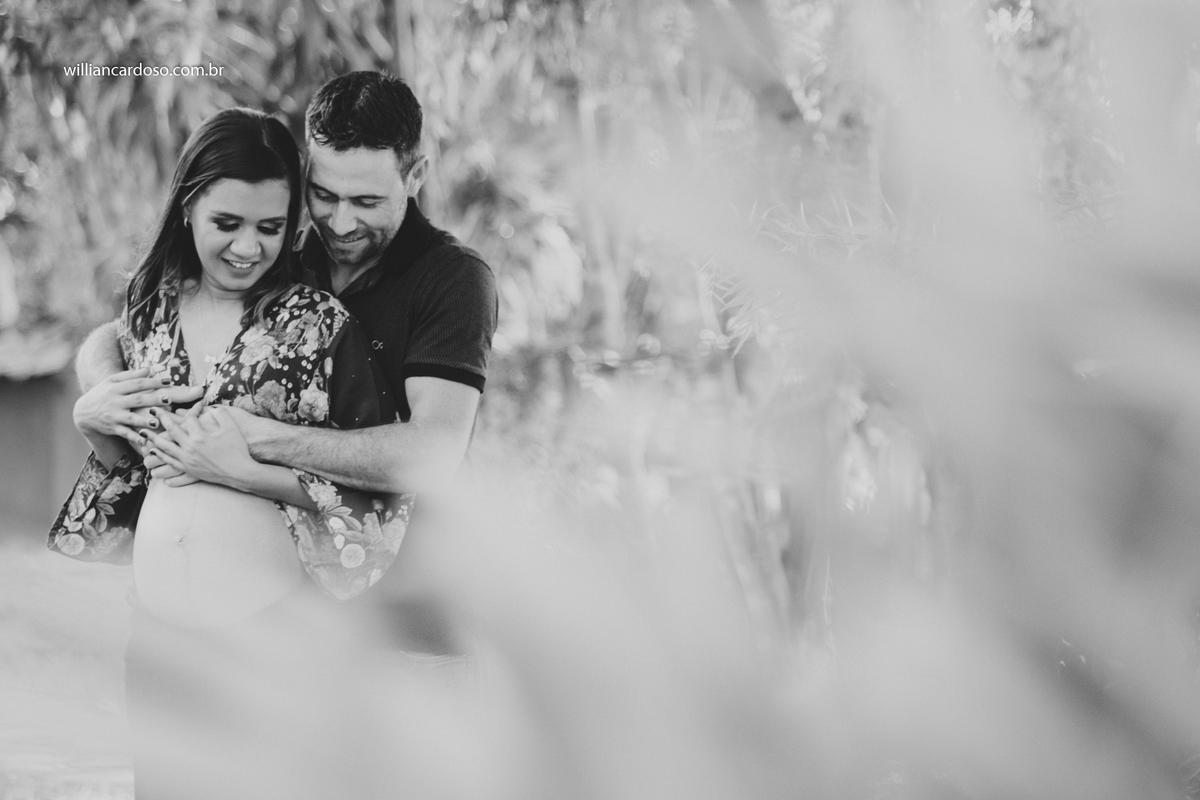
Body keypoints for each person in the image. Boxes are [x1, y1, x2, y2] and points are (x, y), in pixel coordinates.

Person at [50, 107, 412, 797]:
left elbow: (376, 492)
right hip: (158, 645)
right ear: (189, 207)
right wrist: (94, 415)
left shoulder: (318, 327)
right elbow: (133, 464)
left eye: (271, 227)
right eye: (227, 224)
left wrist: (248, 471)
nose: (249, 247)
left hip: (269, 645)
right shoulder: (150, 312)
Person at [77, 71, 499, 654]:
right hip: (291, 614)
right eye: (324, 196)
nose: (342, 222)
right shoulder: (283, 260)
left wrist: (254, 441)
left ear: (416, 176)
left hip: (408, 615)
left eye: (367, 201)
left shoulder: (453, 280)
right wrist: (102, 387)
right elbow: (123, 333)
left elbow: (431, 454)